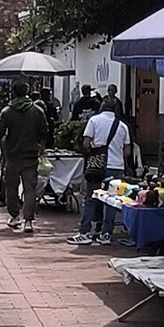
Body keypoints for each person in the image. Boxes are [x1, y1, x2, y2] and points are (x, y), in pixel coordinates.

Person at [67, 97, 131, 246]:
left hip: (97, 166)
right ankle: (106, 234)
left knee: (90, 198)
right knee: (111, 201)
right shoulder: (122, 126)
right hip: (117, 167)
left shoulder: (94, 121)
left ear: (102, 107)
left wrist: (95, 152)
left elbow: (86, 143)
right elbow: (127, 151)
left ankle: (85, 232)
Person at [0, 80, 47, 234]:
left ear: (13, 92)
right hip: (31, 156)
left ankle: (15, 215)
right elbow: (44, 132)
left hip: (12, 156)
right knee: (30, 189)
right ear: (27, 92)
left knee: (11, 187)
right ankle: (28, 220)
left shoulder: (7, 112)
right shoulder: (37, 111)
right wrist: (41, 148)